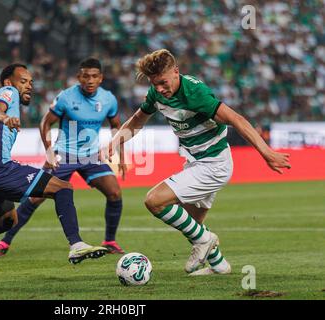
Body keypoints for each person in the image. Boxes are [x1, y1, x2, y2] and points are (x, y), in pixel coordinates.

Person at [105, 49, 291, 275]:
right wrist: (114, 142)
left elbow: (236, 119)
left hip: (214, 164)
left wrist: (266, 152)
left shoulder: (195, 92)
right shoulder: (156, 94)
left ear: (176, 71)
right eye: (155, 84)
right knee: (192, 224)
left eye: (163, 82)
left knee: (154, 201)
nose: (160, 89)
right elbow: (137, 121)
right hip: (195, 161)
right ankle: (219, 266)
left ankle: (205, 240)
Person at [0, 64, 107, 279]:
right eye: (23, 81)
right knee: (63, 188)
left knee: (7, 221)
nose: (29, 86)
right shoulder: (8, 93)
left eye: (31, 82)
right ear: (9, 82)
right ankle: (76, 244)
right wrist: (5, 117)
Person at [0, 57, 127, 258]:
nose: (89, 80)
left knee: (115, 193)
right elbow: (45, 123)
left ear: (101, 78)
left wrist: (120, 154)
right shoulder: (66, 97)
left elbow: (116, 126)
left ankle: (110, 241)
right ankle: (4, 242)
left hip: (91, 156)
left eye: (94, 76)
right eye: (85, 76)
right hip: (64, 155)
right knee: (35, 198)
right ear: (79, 77)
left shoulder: (108, 99)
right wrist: (50, 151)